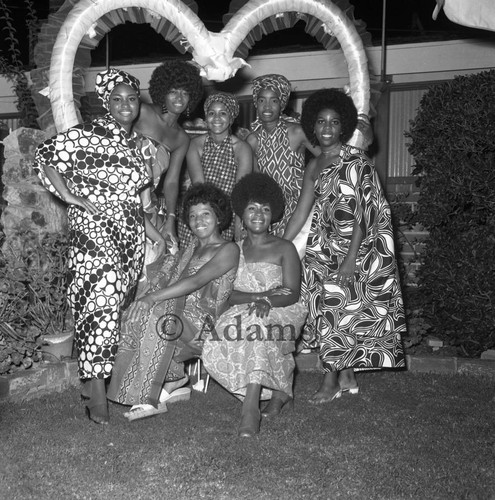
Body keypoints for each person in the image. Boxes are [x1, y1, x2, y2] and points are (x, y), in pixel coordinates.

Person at [34, 68, 165, 424]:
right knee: (102, 301)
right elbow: (45, 155)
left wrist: (156, 236)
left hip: (129, 237)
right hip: (94, 233)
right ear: (106, 101)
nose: (126, 105)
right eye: (118, 98)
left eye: (132, 98)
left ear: (138, 104)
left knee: (111, 307)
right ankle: (96, 397)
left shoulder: (135, 145)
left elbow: (133, 203)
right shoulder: (86, 134)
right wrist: (68, 195)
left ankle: (95, 383)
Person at [284, 88, 406, 403]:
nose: (326, 128)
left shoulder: (355, 161)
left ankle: (330, 382)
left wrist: (351, 259)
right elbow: (301, 211)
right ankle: (347, 375)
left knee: (335, 311)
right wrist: (280, 245)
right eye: (321, 122)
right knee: (325, 310)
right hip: (322, 246)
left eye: (334, 122)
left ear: (343, 127)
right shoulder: (314, 163)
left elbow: (364, 214)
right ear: (313, 125)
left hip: (353, 247)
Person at [107, 183, 239, 421]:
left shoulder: (228, 249)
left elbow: (196, 281)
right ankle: (174, 378)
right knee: (133, 314)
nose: (198, 220)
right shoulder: (190, 248)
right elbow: (168, 276)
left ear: (219, 217)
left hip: (207, 325)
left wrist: (151, 298)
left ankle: (148, 398)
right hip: (181, 316)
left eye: (205, 214)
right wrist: (166, 256)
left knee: (157, 315)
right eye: (192, 216)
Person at [202, 173, 307, 438]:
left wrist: (268, 300)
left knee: (258, 324)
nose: (258, 214)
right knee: (249, 324)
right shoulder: (232, 250)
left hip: (283, 310)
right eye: (252, 208)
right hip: (241, 310)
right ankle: (281, 391)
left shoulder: (285, 248)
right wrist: (259, 298)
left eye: (265, 209)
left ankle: (250, 407)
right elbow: (227, 295)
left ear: (273, 215)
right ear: (241, 213)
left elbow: (292, 293)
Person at [133, 60, 203, 244]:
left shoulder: (182, 138)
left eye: (185, 92)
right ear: (162, 92)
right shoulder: (143, 113)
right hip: (122, 199)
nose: (179, 98)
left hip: (148, 204)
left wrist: (171, 217)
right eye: (173, 91)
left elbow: (171, 182)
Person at [246, 74, 319, 237]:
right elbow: (256, 181)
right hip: (270, 212)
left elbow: (328, 158)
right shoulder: (252, 140)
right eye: (262, 100)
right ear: (256, 104)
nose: (267, 106)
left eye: (274, 100)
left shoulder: (297, 131)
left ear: (282, 104)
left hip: (301, 208)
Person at [179, 92, 252, 246]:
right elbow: (199, 187)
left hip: (225, 219)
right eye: (211, 113)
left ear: (231, 118)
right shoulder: (195, 144)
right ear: (206, 118)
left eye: (223, 113)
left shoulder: (242, 148)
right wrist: (205, 216)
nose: (217, 118)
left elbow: (240, 192)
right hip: (197, 213)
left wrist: (239, 224)